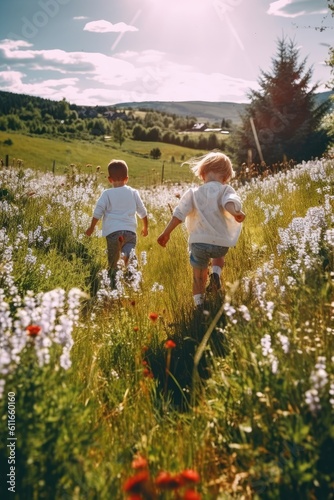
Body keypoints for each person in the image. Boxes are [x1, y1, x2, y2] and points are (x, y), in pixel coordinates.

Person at [157, 151, 245, 308]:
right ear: (225, 177)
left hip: (198, 243)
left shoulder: (193, 193)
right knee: (219, 257)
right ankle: (216, 274)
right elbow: (229, 202)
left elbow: (179, 214)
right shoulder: (226, 190)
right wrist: (235, 212)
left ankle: (199, 306)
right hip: (220, 243)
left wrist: (166, 233)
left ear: (202, 173)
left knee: (198, 276)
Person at [85, 159, 148, 287]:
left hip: (113, 233)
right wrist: (145, 227)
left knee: (113, 262)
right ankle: (129, 270)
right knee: (129, 249)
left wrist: (92, 227)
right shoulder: (133, 192)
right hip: (130, 232)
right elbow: (142, 211)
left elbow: (98, 212)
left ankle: (114, 282)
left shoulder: (107, 194)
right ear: (127, 178)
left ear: (109, 179)